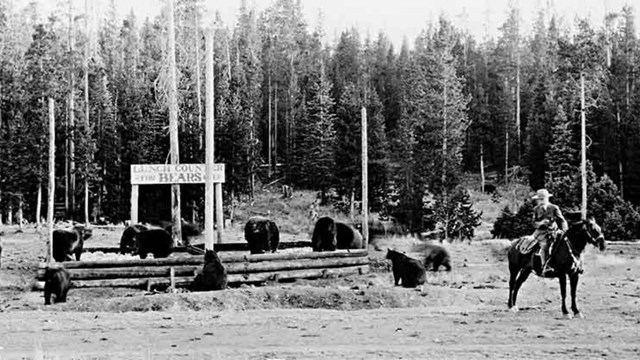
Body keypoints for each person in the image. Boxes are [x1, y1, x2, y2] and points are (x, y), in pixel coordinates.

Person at [531, 189, 568, 276]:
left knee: (563, 244)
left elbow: (562, 220)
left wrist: (564, 230)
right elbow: (533, 223)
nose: (541, 201)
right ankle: (544, 266)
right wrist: (540, 223)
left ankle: (570, 266)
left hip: (553, 231)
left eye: (543, 199)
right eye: (539, 199)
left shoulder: (554, 208)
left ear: (547, 198)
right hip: (540, 232)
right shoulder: (536, 209)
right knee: (542, 245)